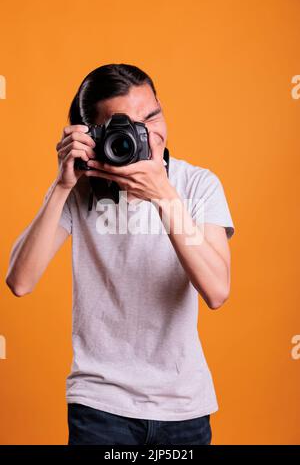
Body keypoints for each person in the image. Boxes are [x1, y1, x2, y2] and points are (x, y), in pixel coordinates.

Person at [5, 63, 235, 445]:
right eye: (125, 125)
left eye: (153, 115)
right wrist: (62, 185)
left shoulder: (196, 184)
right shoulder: (80, 189)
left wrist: (164, 196)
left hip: (183, 405)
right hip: (100, 404)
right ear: (93, 134)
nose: (146, 133)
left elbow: (217, 291)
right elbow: (20, 281)